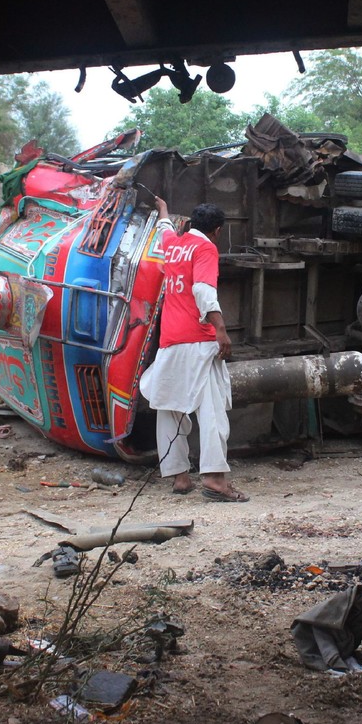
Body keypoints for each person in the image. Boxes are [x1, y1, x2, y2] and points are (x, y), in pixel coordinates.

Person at [138, 198, 247, 502]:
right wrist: (221, 329)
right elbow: (202, 289)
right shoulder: (205, 248)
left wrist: (162, 211)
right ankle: (214, 480)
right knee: (212, 409)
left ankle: (179, 477)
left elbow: (163, 230)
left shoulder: (174, 244)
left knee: (170, 407)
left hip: (170, 341)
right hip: (198, 340)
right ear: (217, 230)